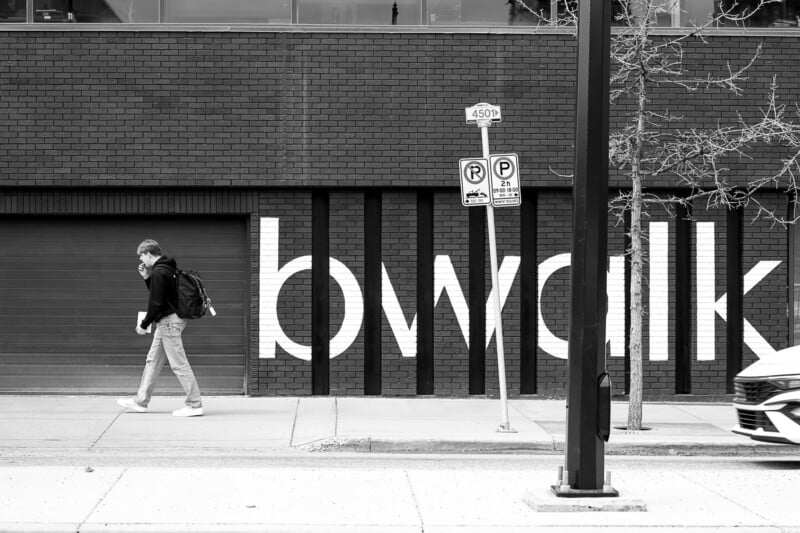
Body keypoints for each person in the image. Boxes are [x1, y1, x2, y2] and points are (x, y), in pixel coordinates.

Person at [117, 239, 204, 417]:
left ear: (149, 254)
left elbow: (156, 303)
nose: (141, 259)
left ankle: (195, 404)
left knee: (179, 363)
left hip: (168, 323)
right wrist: (147, 278)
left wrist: (143, 325)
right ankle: (141, 401)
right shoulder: (167, 269)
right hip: (169, 321)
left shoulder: (159, 271)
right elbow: (161, 295)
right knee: (152, 362)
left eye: (141, 255)